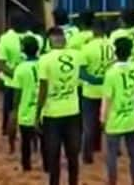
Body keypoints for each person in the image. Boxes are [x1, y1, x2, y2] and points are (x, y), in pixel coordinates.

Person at [36, 26, 100, 185]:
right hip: (73, 111)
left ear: (49, 41)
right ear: (64, 39)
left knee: (54, 156)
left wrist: (38, 113)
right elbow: (83, 77)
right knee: (73, 156)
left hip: (52, 113)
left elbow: (43, 89)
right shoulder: (77, 55)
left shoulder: (44, 60)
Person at [102, 37, 134, 185]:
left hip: (115, 119)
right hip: (133, 117)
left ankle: (112, 182)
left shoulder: (111, 73)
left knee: (112, 155)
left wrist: (102, 118)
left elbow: (107, 99)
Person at [80, 19, 113, 164]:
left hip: (91, 91)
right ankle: (112, 151)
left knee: (89, 123)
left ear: (93, 30)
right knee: (111, 121)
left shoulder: (87, 48)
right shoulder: (112, 46)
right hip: (109, 90)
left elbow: (81, 73)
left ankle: (88, 154)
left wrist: (95, 80)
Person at [10, 35, 45, 171]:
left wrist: (14, 109)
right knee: (45, 141)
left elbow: (17, 93)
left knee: (25, 142)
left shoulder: (20, 68)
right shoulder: (43, 63)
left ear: (23, 49)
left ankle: (27, 166)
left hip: (26, 110)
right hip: (43, 110)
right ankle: (47, 165)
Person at [0, 13, 30, 150]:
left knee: (11, 110)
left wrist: (15, 75)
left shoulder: (5, 39)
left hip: (11, 80)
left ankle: (8, 135)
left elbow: (2, 64)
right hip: (30, 81)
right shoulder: (34, 38)